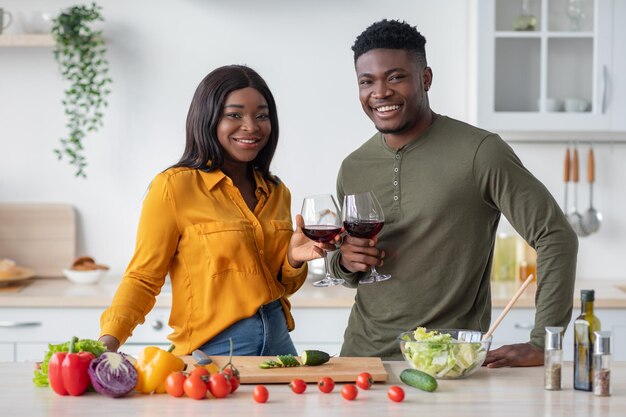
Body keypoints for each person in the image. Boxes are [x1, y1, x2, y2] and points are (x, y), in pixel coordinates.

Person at [329, 20, 578, 366]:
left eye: (396, 77)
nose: (380, 92)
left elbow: (555, 235)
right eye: (366, 81)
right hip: (360, 360)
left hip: (447, 363)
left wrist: (543, 342)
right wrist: (344, 260)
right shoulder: (353, 166)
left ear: (426, 78)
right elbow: (347, 265)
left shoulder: (480, 152)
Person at [99, 65, 331, 356]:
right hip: (214, 349)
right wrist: (106, 344)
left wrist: (294, 260)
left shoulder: (276, 191)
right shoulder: (174, 187)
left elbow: (282, 285)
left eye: (261, 115)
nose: (251, 126)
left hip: (280, 344)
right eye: (234, 115)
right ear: (208, 119)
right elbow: (143, 278)